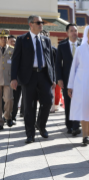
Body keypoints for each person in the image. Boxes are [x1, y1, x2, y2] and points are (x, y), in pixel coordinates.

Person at [11, 15, 56, 144]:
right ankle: (30, 134)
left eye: (42, 22)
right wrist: (14, 78)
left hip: (43, 75)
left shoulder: (46, 40)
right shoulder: (22, 39)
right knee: (29, 107)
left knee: (47, 101)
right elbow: (15, 60)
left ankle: (41, 125)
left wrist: (52, 77)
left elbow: (50, 61)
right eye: (38, 22)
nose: (41, 24)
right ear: (31, 24)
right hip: (28, 76)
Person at [68, 25, 89, 145]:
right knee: (83, 107)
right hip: (81, 82)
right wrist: (70, 85)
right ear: (86, 34)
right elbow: (73, 68)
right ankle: (84, 135)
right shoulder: (80, 49)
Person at [56, 24, 81, 135]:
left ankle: (76, 125)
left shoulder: (83, 44)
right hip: (67, 79)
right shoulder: (62, 46)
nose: (74, 33)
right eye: (71, 31)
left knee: (79, 102)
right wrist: (59, 78)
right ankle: (69, 124)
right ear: (67, 33)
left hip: (80, 79)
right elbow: (58, 64)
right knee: (69, 102)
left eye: (75, 30)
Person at [0, 29, 14, 130]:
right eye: (1, 38)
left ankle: (8, 116)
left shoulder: (12, 50)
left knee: (9, 99)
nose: (3, 39)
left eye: (5, 38)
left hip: (8, 78)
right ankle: (0, 123)